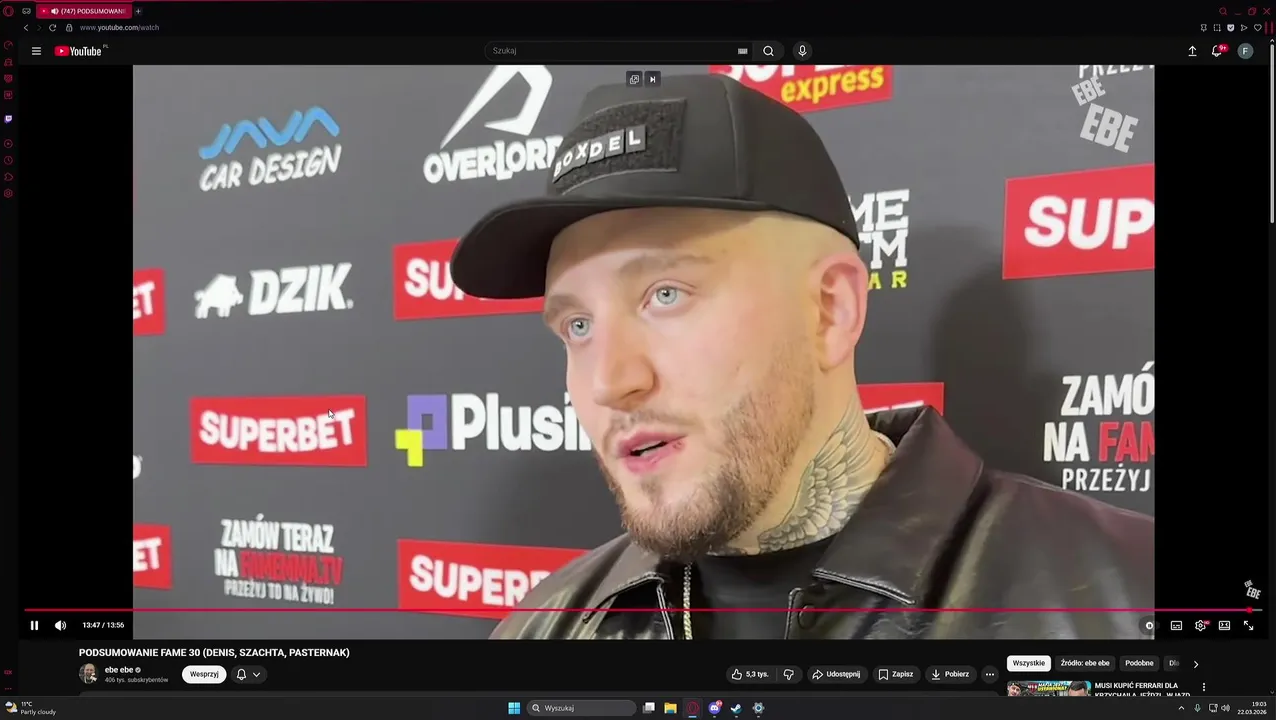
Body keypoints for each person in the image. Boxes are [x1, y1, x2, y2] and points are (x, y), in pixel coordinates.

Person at [451, 73, 1154, 641]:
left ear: (829, 310)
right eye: (577, 325)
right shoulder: (546, 630)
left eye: (665, 294)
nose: (611, 380)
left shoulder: (1134, 599)